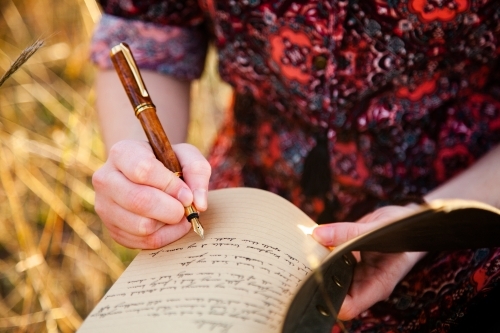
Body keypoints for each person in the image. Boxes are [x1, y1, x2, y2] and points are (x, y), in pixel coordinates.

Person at [89, 1, 500, 331]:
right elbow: (147, 27)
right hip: (241, 210)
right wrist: (140, 169)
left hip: (469, 223)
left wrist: (428, 222)